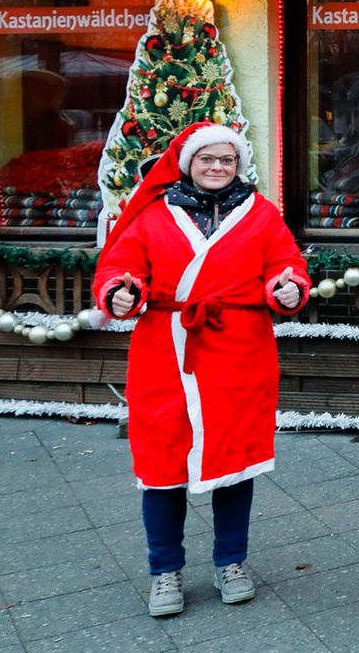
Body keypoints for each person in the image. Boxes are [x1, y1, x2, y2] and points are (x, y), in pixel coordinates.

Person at [92, 121, 310, 618]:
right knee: (161, 466)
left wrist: (288, 286)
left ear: (239, 165)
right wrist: (121, 292)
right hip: (164, 354)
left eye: (227, 160)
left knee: (235, 460)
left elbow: (286, 262)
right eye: (208, 159)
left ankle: (231, 561)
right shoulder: (151, 215)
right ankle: (164, 569)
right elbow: (117, 268)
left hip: (240, 354)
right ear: (188, 163)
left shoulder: (262, 214)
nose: (217, 168)